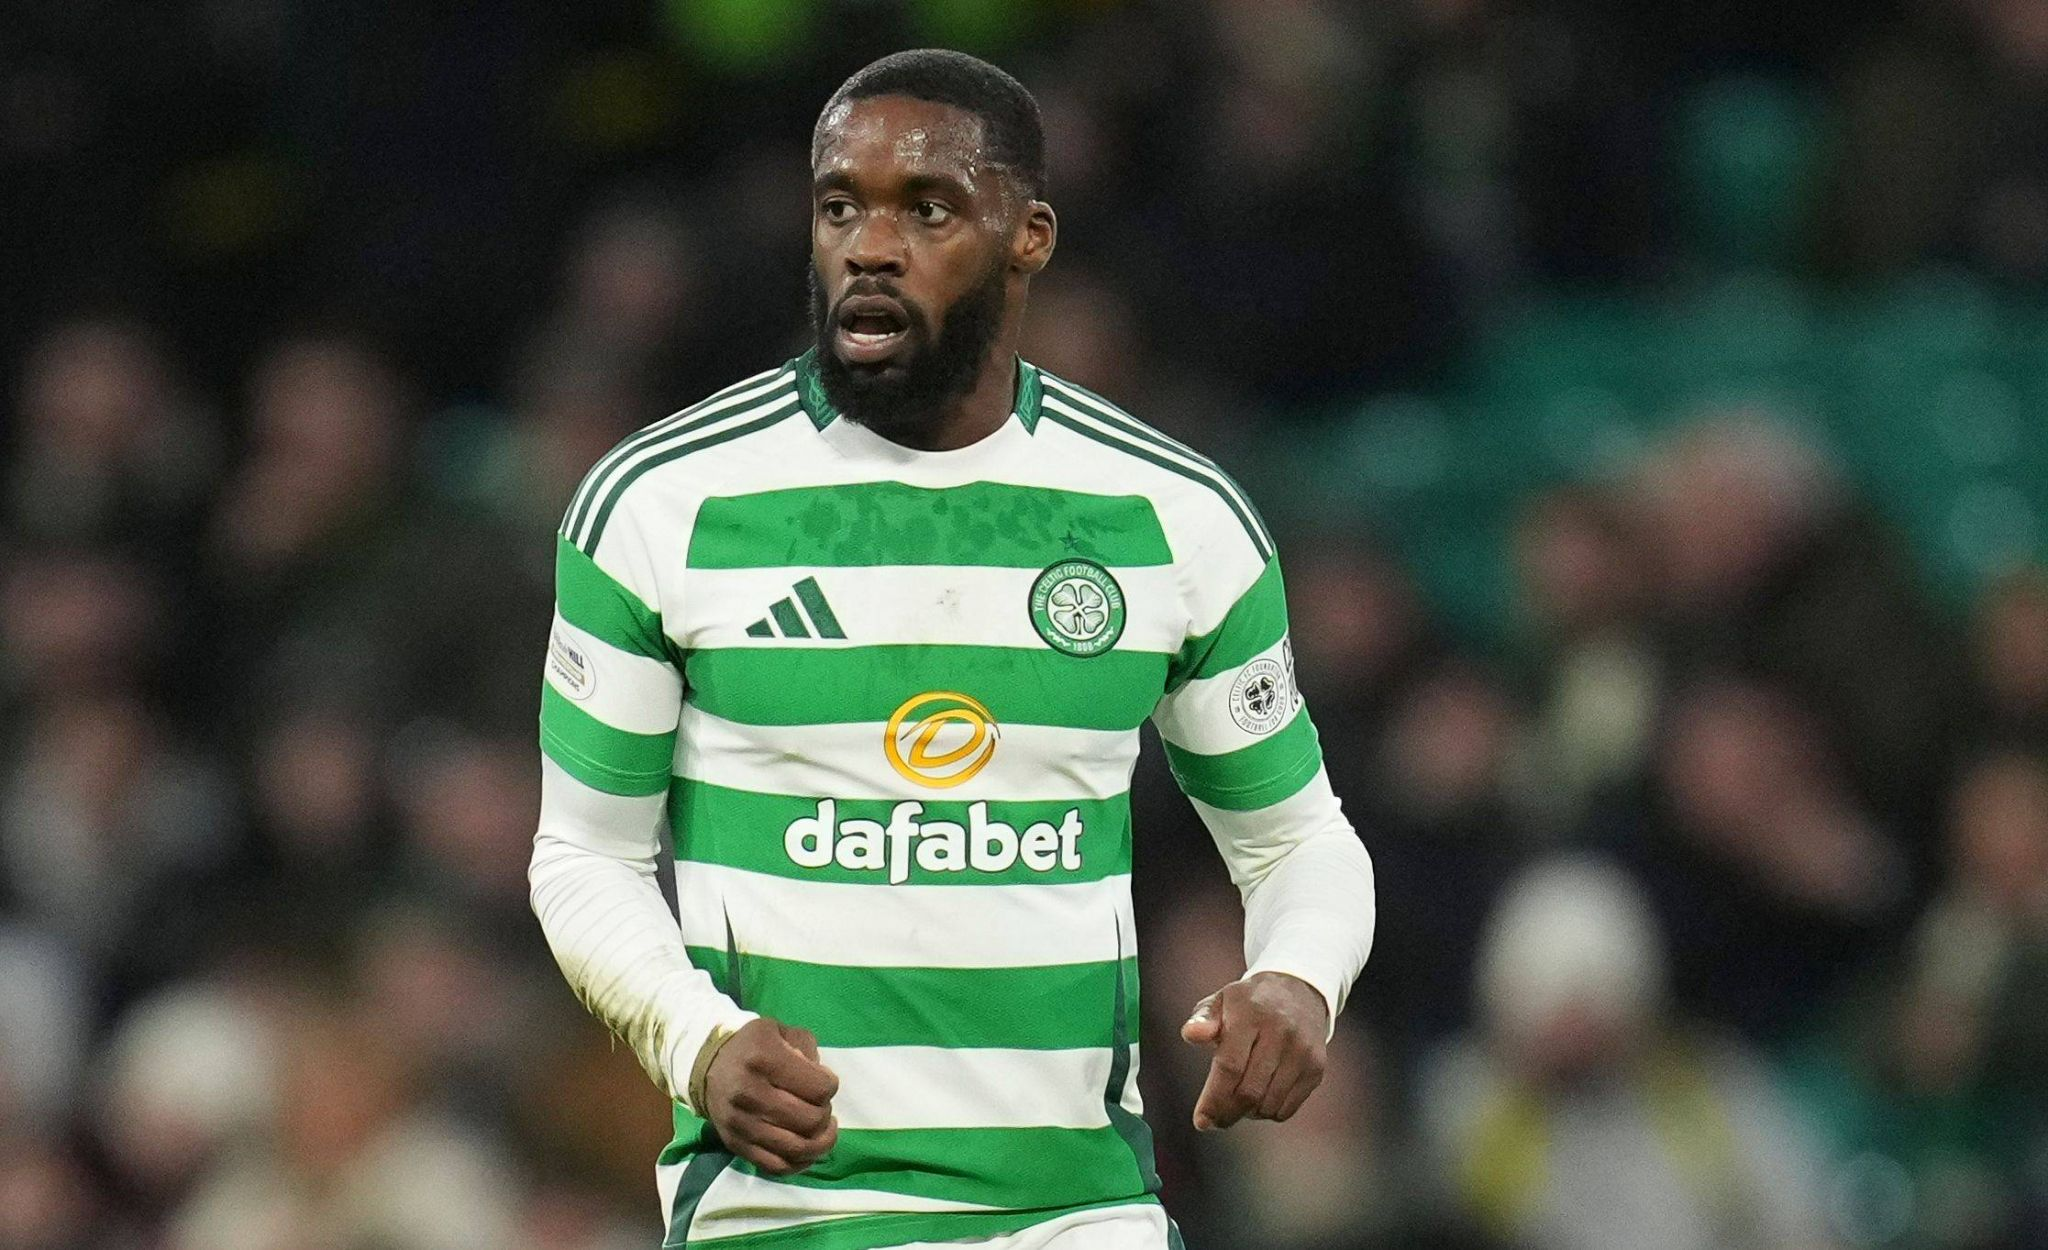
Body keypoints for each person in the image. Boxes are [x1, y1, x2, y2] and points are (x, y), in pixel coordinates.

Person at [526, 49, 1376, 1250]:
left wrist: (1297, 978)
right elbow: (581, 856)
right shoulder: (660, 505)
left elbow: (1296, 835)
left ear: (1028, 236)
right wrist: (695, 1036)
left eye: (924, 208)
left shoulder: (1168, 517)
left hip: (1078, 1214)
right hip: (784, 1214)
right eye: (838, 208)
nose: (869, 246)